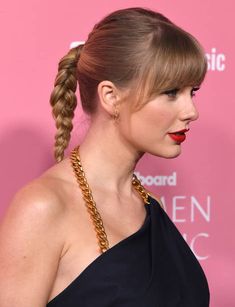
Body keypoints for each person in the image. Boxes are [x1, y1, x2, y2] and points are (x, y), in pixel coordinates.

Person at [0, 7, 210, 307]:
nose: (191, 111)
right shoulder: (42, 208)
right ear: (111, 96)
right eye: (171, 92)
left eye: (193, 92)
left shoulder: (153, 207)